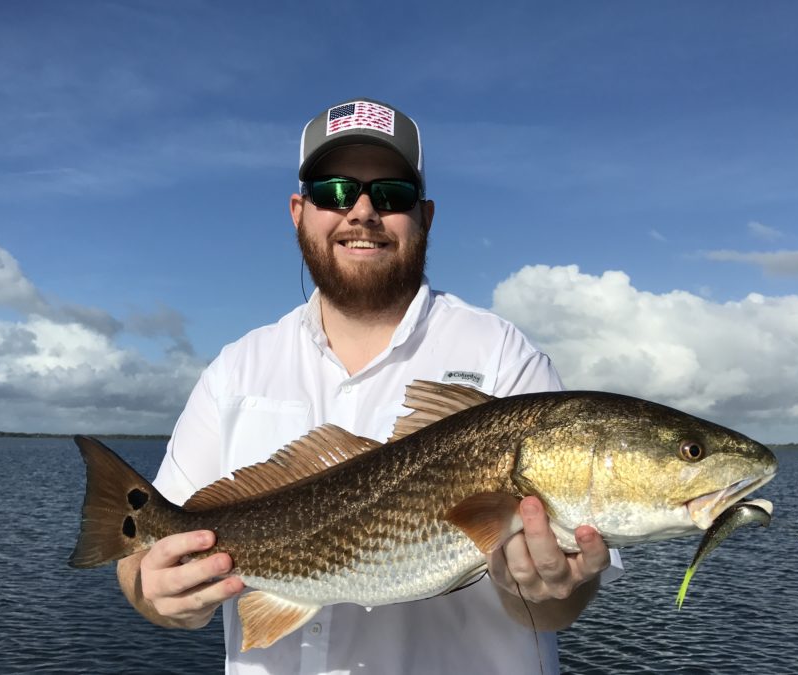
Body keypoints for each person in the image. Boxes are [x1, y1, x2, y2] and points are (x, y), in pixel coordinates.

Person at [116, 97, 623, 674]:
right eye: (334, 191)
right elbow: (142, 557)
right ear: (298, 210)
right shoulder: (236, 367)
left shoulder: (504, 356)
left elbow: (560, 604)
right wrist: (156, 593)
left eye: (392, 194)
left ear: (425, 215)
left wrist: (551, 586)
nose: (362, 211)